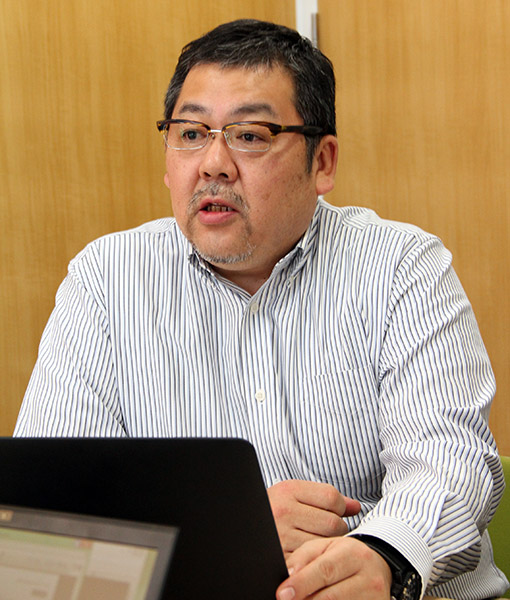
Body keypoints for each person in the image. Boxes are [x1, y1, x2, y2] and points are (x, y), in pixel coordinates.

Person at [14, 19, 508, 600]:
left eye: (249, 135)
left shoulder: (400, 267)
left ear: (322, 162)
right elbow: (48, 512)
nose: (213, 164)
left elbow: (450, 461)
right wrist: (227, 532)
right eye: (190, 133)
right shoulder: (105, 279)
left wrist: (382, 555)